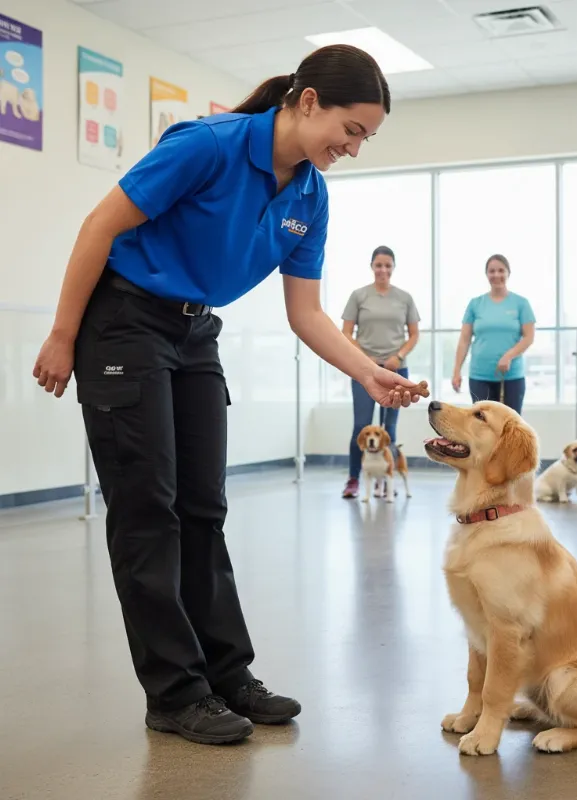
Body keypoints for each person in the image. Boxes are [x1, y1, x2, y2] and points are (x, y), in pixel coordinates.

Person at [31, 44, 424, 746]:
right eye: (353, 130)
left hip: (192, 334)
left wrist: (368, 371)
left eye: (367, 137)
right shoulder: (207, 147)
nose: (355, 148)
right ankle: (175, 693)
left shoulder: (309, 194)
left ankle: (227, 674)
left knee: (203, 508)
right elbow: (100, 227)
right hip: (123, 323)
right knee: (148, 510)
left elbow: (305, 313)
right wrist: (64, 335)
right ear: (309, 103)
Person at [341, 246, 420, 499]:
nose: (383, 270)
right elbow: (346, 334)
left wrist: (398, 356)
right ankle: (354, 479)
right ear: (372, 266)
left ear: (393, 268)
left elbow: (414, 334)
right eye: (378, 265)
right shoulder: (359, 296)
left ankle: (386, 481)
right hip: (364, 368)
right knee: (361, 427)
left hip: (397, 369)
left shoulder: (405, 298)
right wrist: (366, 359)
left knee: (390, 429)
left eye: (387, 265)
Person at [451, 254, 535, 414]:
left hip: (511, 377)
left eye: (501, 270)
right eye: (492, 271)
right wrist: (456, 371)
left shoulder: (521, 303)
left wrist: (508, 356)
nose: (496, 275)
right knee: (482, 428)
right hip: (479, 376)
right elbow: (464, 340)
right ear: (486, 274)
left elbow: (529, 337)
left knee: (510, 428)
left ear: (508, 273)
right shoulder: (475, 304)